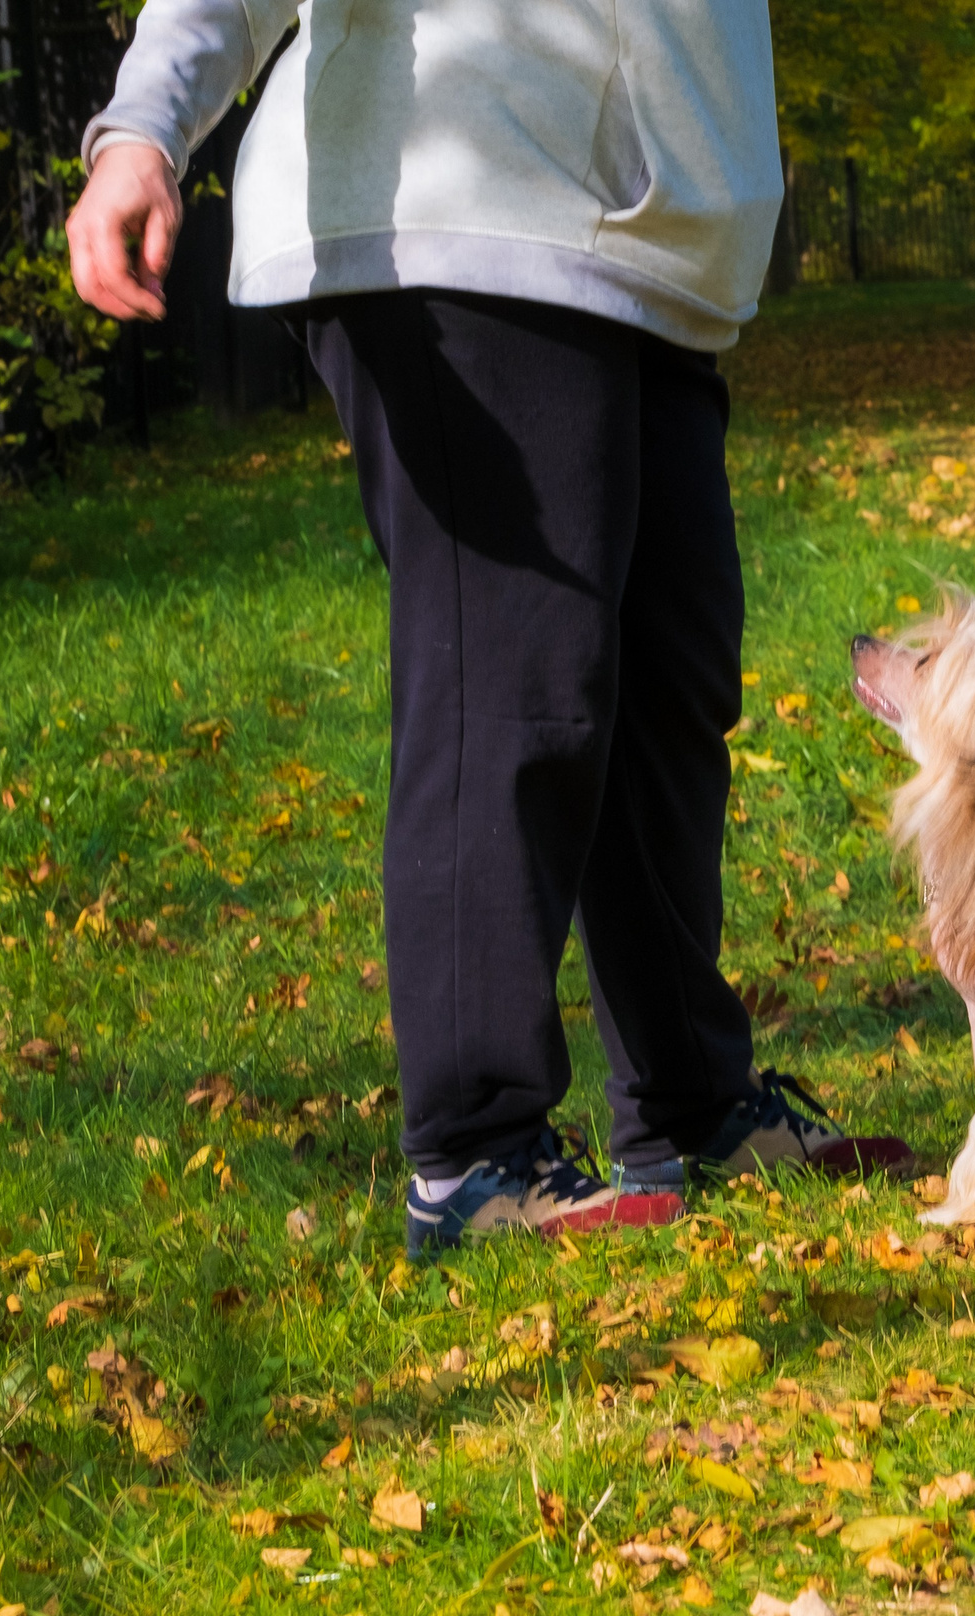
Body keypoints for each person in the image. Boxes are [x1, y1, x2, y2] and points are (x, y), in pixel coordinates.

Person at [65, 0, 910, 1253]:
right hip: (460, 205)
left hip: (656, 248)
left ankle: (687, 1102)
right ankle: (473, 1151)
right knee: (515, 677)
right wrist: (143, 126)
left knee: (669, 680)